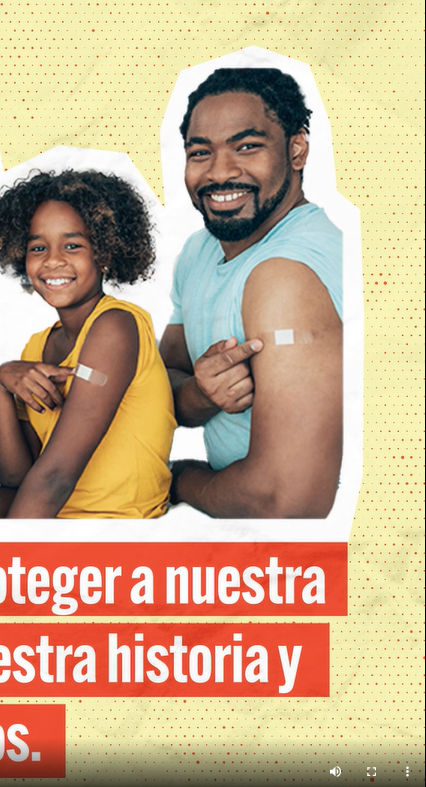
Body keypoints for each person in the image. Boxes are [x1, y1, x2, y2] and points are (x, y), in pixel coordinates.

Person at [160, 67, 343, 519]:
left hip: (313, 562)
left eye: (247, 146)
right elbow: (160, 376)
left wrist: (177, 477)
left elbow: (285, 502)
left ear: (296, 149)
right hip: (236, 543)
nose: (220, 172)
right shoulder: (200, 252)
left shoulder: (284, 276)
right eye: (201, 152)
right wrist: (201, 396)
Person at [0, 170, 175, 519]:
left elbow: (55, 478)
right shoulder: (36, 347)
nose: (53, 260)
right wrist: (3, 383)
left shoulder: (115, 327)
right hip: (52, 508)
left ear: (105, 251)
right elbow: (16, 475)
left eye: (72, 245)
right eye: (38, 247)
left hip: (111, 522)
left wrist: (6, 570)